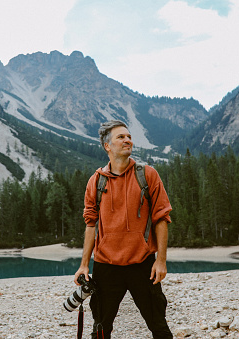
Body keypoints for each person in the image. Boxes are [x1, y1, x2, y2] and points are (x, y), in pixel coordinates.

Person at [74, 120, 173, 338]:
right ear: (107, 146)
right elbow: (91, 224)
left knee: (158, 325)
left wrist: (161, 260)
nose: (127, 140)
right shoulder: (96, 182)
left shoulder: (147, 175)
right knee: (100, 328)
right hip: (106, 266)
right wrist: (83, 265)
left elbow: (161, 218)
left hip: (143, 264)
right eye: (121, 137)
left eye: (128, 136)